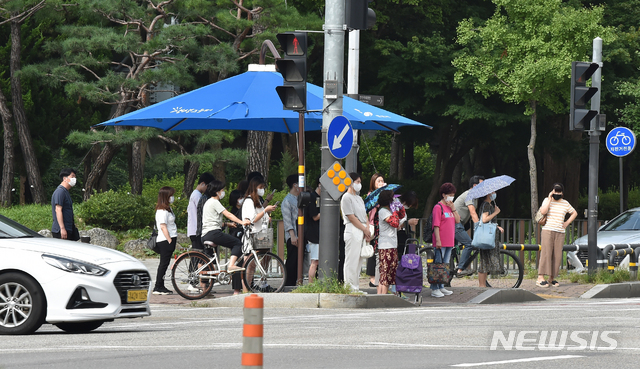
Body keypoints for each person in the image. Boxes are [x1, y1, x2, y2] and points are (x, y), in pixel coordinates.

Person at [201, 180, 251, 294]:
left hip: (206, 233)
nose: (223, 192)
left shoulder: (208, 202)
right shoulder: (215, 202)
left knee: (210, 261)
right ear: (217, 191)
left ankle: (205, 285)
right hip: (213, 233)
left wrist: (227, 224)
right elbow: (228, 214)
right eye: (222, 190)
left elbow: (213, 220)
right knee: (237, 243)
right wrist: (242, 222)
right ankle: (231, 265)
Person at [537, 183, 577, 288]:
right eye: (555, 191)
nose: (557, 193)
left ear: (562, 193)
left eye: (559, 191)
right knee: (546, 253)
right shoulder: (547, 200)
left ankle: (552, 277)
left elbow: (574, 213)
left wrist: (566, 223)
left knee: (557, 255)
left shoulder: (565, 203)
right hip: (548, 230)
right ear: (552, 191)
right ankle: (540, 277)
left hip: (560, 232)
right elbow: (543, 211)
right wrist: (550, 198)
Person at [341, 173, 371, 292]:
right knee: (351, 260)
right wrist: (364, 229)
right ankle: (349, 286)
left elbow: (365, 215)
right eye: (357, 182)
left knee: (359, 261)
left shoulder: (359, 198)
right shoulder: (346, 197)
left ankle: (356, 286)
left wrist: (367, 230)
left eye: (359, 182)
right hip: (352, 229)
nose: (359, 184)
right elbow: (351, 217)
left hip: (362, 229)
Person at [430, 183, 460, 298]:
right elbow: (436, 225)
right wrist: (438, 240)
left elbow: (457, 220)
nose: (451, 197)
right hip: (441, 241)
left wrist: (454, 209)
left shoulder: (450, 207)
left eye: (453, 195)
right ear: (443, 195)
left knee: (445, 265)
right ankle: (434, 288)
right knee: (438, 264)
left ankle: (441, 286)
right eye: (450, 195)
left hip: (449, 241)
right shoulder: (438, 207)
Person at [454, 175, 485, 275]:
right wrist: (479, 227)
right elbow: (472, 213)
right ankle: (460, 269)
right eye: (482, 185)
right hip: (453, 223)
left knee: (453, 249)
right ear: (475, 185)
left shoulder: (475, 197)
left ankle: (448, 277)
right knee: (469, 244)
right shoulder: (470, 194)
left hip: (459, 224)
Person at [377, 190, 406, 295]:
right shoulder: (383, 211)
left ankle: (383, 295)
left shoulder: (389, 211)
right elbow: (394, 223)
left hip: (393, 244)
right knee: (385, 273)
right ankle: (382, 296)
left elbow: (402, 216)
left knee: (390, 273)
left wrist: (400, 208)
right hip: (385, 246)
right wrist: (394, 211)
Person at [153, 186, 178, 295]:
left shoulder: (168, 209)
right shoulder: (161, 211)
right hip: (165, 240)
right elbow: (163, 226)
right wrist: (169, 240)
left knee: (165, 263)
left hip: (170, 238)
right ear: (166, 196)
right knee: (163, 263)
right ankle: (158, 286)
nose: (172, 197)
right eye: (171, 195)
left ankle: (160, 285)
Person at [477, 192, 504, 287]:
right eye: (493, 192)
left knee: (485, 260)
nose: (495, 193)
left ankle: (482, 285)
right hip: (487, 237)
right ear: (488, 194)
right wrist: (496, 212)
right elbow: (484, 219)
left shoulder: (488, 204)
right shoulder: (486, 205)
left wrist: (497, 226)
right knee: (484, 260)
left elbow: (489, 221)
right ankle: (481, 285)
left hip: (488, 235)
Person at [366, 173, 387, 287]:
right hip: (373, 225)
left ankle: (378, 276)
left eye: (382, 180)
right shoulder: (371, 195)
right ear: (373, 183)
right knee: (372, 251)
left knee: (380, 251)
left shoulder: (384, 195)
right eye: (378, 181)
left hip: (382, 225)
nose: (380, 183)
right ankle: (372, 278)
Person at [187, 173, 215, 251]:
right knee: (198, 255)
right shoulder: (197, 196)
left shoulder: (195, 194)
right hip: (196, 229)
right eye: (208, 186)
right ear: (203, 184)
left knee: (196, 256)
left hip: (194, 229)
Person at [51, 168, 80, 241]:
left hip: (68, 228)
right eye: (72, 176)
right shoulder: (60, 192)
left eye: (75, 177)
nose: (74, 179)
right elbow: (58, 210)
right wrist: (62, 228)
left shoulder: (66, 192)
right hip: (61, 230)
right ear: (65, 178)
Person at [282, 174, 301, 286]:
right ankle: (289, 284)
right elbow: (287, 220)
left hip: (301, 234)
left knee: (298, 260)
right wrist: (292, 235)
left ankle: (296, 282)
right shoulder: (287, 200)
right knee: (292, 260)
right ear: (295, 185)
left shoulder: (299, 198)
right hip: (293, 235)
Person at [305, 180, 321, 283]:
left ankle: (313, 284)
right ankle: (311, 285)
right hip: (314, 235)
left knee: (317, 261)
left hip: (318, 234)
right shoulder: (312, 197)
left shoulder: (318, 198)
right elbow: (315, 217)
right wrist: (327, 210)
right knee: (315, 261)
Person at [397, 191, 420, 257]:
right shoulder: (396, 207)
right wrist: (408, 222)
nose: (409, 206)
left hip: (403, 237)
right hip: (397, 238)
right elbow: (396, 224)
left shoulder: (402, 209)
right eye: (409, 204)